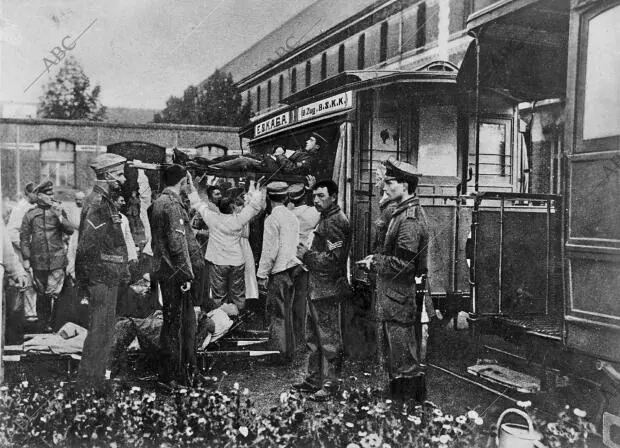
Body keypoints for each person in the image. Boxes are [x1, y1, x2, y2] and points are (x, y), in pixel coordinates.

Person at [357, 158, 433, 395]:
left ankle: (408, 407)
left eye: (390, 182)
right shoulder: (399, 212)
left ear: (405, 185)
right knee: (394, 356)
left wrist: (374, 262)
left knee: (403, 359)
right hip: (393, 297)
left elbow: (404, 265)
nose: (385, 187)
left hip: (398, 298)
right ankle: (399, 400)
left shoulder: (409, 219)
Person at [76, 153, 129, 388]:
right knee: (100, 332)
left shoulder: (104, 201)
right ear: (107, 176)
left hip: (107, 277)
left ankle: (94, 381)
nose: (124, 179)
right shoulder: (99, 204)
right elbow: (87, 247)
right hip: (102, 279)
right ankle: (89, 384)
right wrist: (88, 282)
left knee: (104, 332)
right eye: (119, 174)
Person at [295, 179, 351, 401]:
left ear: (334, 196)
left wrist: (307, 256)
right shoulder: (327, 218)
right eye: (315, 196)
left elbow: (334, 259)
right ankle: (313, 380)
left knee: (329, 340)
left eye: (321, 196)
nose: (316, 200)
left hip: (327, 289)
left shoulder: (335, 221)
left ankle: (330, 385)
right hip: (317, 287)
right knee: (313, 337)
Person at [150, 164, 205, 385]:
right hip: (176, 275)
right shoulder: (171, 204)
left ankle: (182, 374)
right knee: (178, 326)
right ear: (183, 181)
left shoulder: (161, 202)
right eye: (188, 182)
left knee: (176, 325)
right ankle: (173, 376)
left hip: (167, 272)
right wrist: (185, 276)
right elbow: (177, 244)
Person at [187, 174, 266, 312]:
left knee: (219, 294)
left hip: (218, 261)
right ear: (232, 209)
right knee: (238, 293)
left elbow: (197, 204)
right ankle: (239, 317)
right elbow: (254, 207)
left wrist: (192, 186)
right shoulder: (239, 219)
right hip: (237, 261)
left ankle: (222, 319)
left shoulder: (212, 218)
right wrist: (258, 190)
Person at [20, 180, 74, 332]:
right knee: (41, 294)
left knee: (54, 294)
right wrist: (26, 259)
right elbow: (24, 238)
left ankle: (54, 324)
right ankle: (43, 325)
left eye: (52, 194)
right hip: (38, 261)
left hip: (57, 260)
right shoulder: (30, 215)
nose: (51, 197)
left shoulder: (58, 211)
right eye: (47, 194)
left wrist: (59, 216)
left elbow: (70, 230)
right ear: (39, 196)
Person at [256, 182, 301, 362]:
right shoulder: (292, 217)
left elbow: (270, 251)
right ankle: (289, 351)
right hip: (292, 269)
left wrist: (261, 274)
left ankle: (277, 353)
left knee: (276, 314)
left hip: (279, 271)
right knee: (288, 312)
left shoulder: (271, 219)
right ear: (285, 197)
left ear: (269, 198)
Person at [286, 180, 320, 349]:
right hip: (304, 259)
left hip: (288, 260)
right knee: (303, 298)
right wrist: (312, 189)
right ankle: (303, 336)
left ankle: (292, 334)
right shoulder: (313, 213)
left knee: (289, 299)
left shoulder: (287, 213)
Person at [6, 182, 38, 322]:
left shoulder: (31, 207)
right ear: (28, 193)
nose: (37, 196)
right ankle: (23, 321)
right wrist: (27, 248)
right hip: (20, 254)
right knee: (24, 286)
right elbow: (12, 233)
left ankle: (30, 318)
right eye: (35, 193)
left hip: (28, 253)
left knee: (30, 286)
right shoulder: (21, 208)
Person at [66, 191, 85, 282]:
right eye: (76, 199)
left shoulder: (86, 209)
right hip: (74, 234)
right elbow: (71, 222)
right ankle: (72, 274)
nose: (78, 201)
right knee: (72, 252)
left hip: (84, 234)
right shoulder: (72, 209)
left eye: (80, 200)